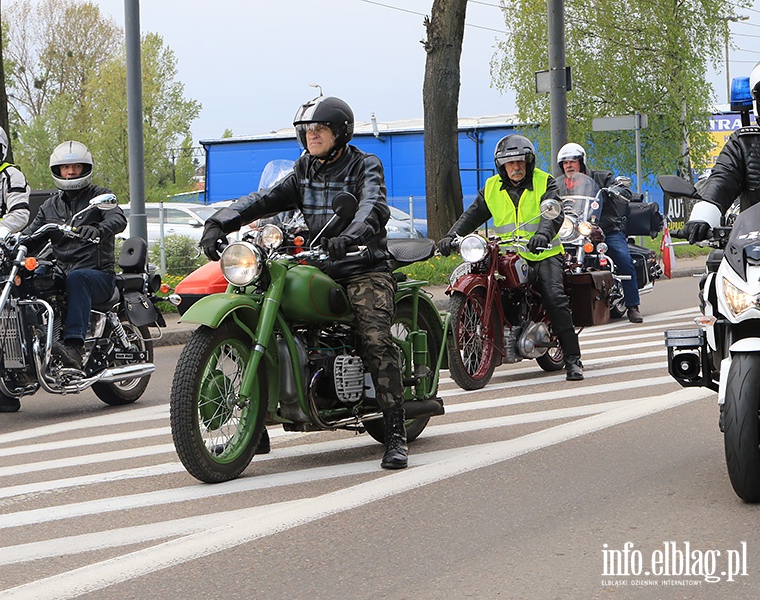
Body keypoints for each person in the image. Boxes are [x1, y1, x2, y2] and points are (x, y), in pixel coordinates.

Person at [199, 96, 408, 469]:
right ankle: (256, 424)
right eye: (308, 130)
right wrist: (221, 220)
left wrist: (352, 234)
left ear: (339, 132)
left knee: (375, 337)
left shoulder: (365, 164)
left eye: (320, 129)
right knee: (258, 304)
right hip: (316, 262)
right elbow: (265, 198)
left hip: (361, 265)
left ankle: (395, 432)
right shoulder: (304, 169)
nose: (312, 136)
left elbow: (373, 205)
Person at [438, 134, 585, 381]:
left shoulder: (544, 182)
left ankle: (573, 359)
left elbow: (553, 213)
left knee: (553, 296)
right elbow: (472, 215)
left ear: (529, 162)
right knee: (488, 286)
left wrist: (543, 235)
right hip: (507, 253)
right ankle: (478, 356)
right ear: (501, 165)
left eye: (520, 162)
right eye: (510, 163)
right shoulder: (492, 187)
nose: (516, 167)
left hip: (544, 253)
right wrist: (450, 236)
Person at [23, 140, 127, 375]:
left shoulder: (100, 196)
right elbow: (32, 235)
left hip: (97, 274)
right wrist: (10, 244)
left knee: (78, 278)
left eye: (76, 167)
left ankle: (73, 348)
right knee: (31, 278)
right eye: (65, 168)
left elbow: (118, 218)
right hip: (62, 271)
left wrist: (98, 229)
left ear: (85, 169)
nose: (70, 172)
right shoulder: (50, 206)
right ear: (57, 171)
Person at [557, 142, 643, 323]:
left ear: (581, 162)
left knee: (622, 258)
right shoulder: (558, 186)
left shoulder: (601, 177)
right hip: (572, 231)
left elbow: (622, 190)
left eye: (572, 161)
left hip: (604, 229)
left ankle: (632, 306)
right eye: (565, 163)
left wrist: (616, 189)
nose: (569, 166)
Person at [684, 62, 760, 244]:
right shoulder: (745, 142)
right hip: (755, 247)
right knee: (716, 269)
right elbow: (722, 180)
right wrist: (702, 216)